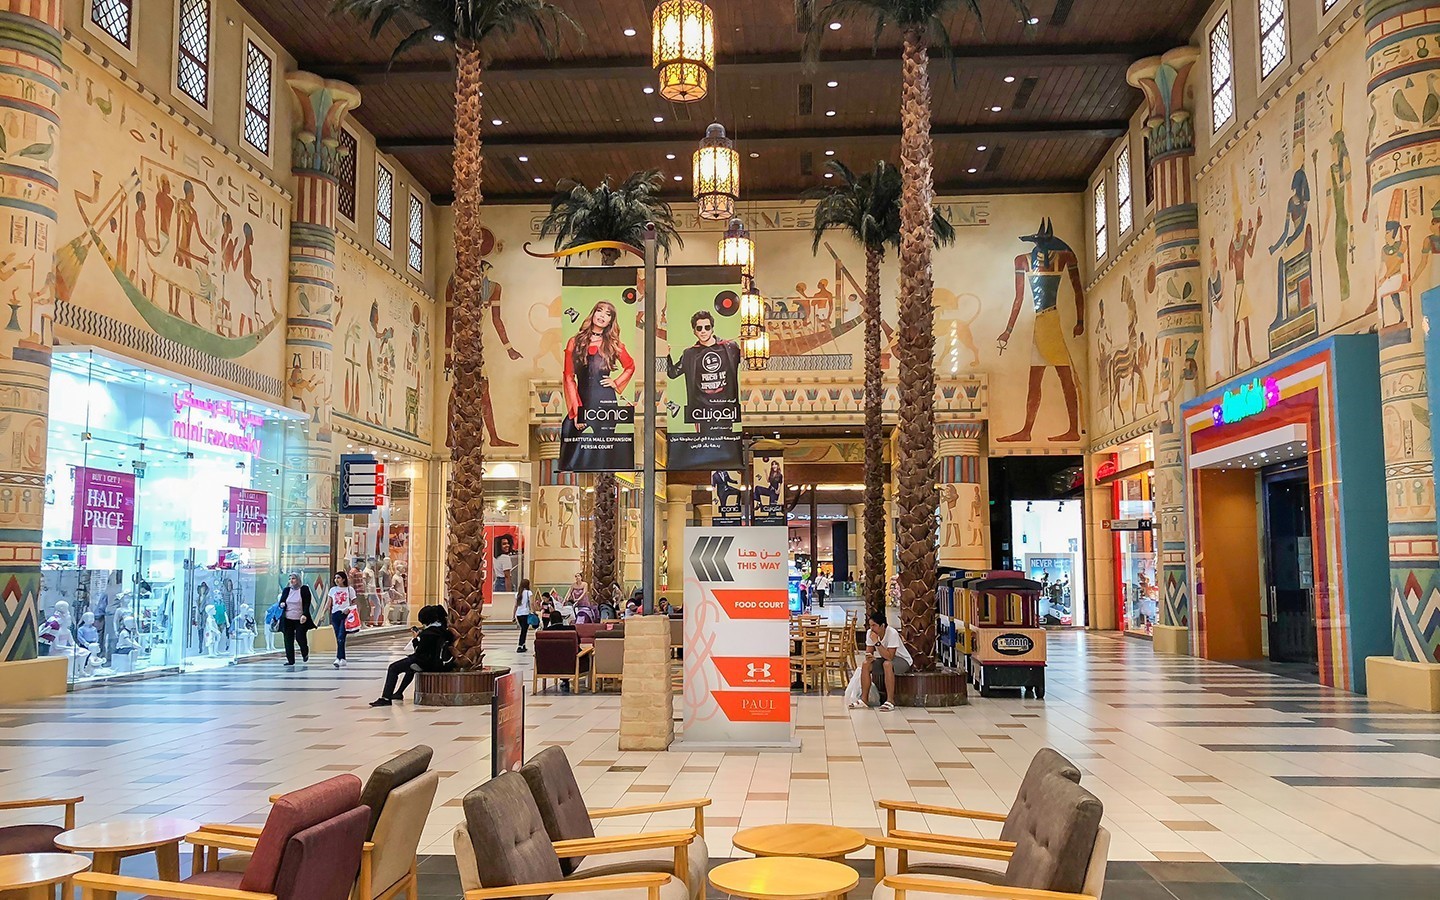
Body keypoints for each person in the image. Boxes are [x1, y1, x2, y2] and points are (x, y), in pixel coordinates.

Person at [561, 299, 636, 470]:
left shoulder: (614, 344)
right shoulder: (575, 342)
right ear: (593, 313)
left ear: (611, 321)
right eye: (600, 311)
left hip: (605, 405)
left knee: (603, 455)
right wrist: (577, 411)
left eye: (608, 314)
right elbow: (568, 377)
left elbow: (630, 366)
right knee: (568, 445)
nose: (602, 316)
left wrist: (615, 383)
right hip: (581, 402)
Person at [369, 605, 455, 706]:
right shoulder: (444, 631)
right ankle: (398, 693)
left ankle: (386, 697)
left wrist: (415, 639)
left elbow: (419, 651)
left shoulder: (428, 633)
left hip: (426, 663)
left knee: (394, 668)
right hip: (437, 662)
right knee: (410, 667)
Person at [852, 609, 912, 712]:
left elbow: (890, 657)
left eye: (874, 625)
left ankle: (890, 701)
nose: (872, 628)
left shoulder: (892, 633)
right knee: (866, 664)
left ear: (882, 625)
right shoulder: (870, 633)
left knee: (887, 664)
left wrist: (877, 642)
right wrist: (869, 657)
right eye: (870, 625)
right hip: (886, 658)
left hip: (903, 660)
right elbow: (869, 652)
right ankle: (864, 700)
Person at [276, 573, 314, 667]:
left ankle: (305, 652)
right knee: (288, 639)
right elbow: (282, 601)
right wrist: (282, 604)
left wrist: (305, 614)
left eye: (293, 578)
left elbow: (307, 603)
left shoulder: (304, 589)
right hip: (288, 618)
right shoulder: (287, 590)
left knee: (300, 637)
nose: (292, 581)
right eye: (290, 579)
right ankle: (290, 660)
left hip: (300, 618)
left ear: (298, 580)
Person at [327, 570, 357, 669]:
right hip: (335, 614)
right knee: (338, 638)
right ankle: (342, 658)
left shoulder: (349, 589)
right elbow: (329, 603)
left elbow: (354, 602)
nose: (336, 580)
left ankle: (338, 658)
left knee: (341, 636)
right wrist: (324, 614)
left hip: (345, 615)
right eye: (335, 578)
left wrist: (348, 609)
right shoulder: (332, 590)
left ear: (343, 579)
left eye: (338, 578)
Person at [514, 578, 534, 652]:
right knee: (524, 630)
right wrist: (533, 612)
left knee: (523, 630)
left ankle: (523, 645)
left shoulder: (517, 594)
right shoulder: (529, 593)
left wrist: (513, 616)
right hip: (525, 613)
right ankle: (520, 645)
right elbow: (531, 603)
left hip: (519, 614)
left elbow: (515, 605)